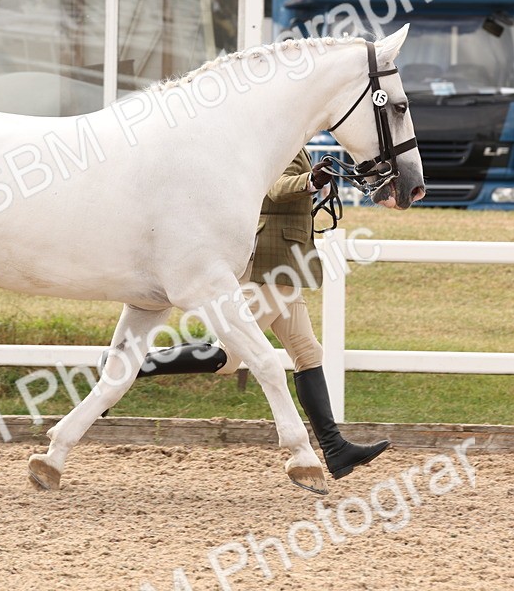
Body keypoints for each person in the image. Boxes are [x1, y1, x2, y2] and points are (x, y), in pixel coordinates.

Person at [134, 148, 389, 480]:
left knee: (308, 352)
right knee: (227, 359)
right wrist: (311, 181)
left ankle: (335, 449)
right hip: (271, 266)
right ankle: (130, 368)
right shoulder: (279, 145)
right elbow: (274, 187)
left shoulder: (296, 143)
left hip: (287, 267)